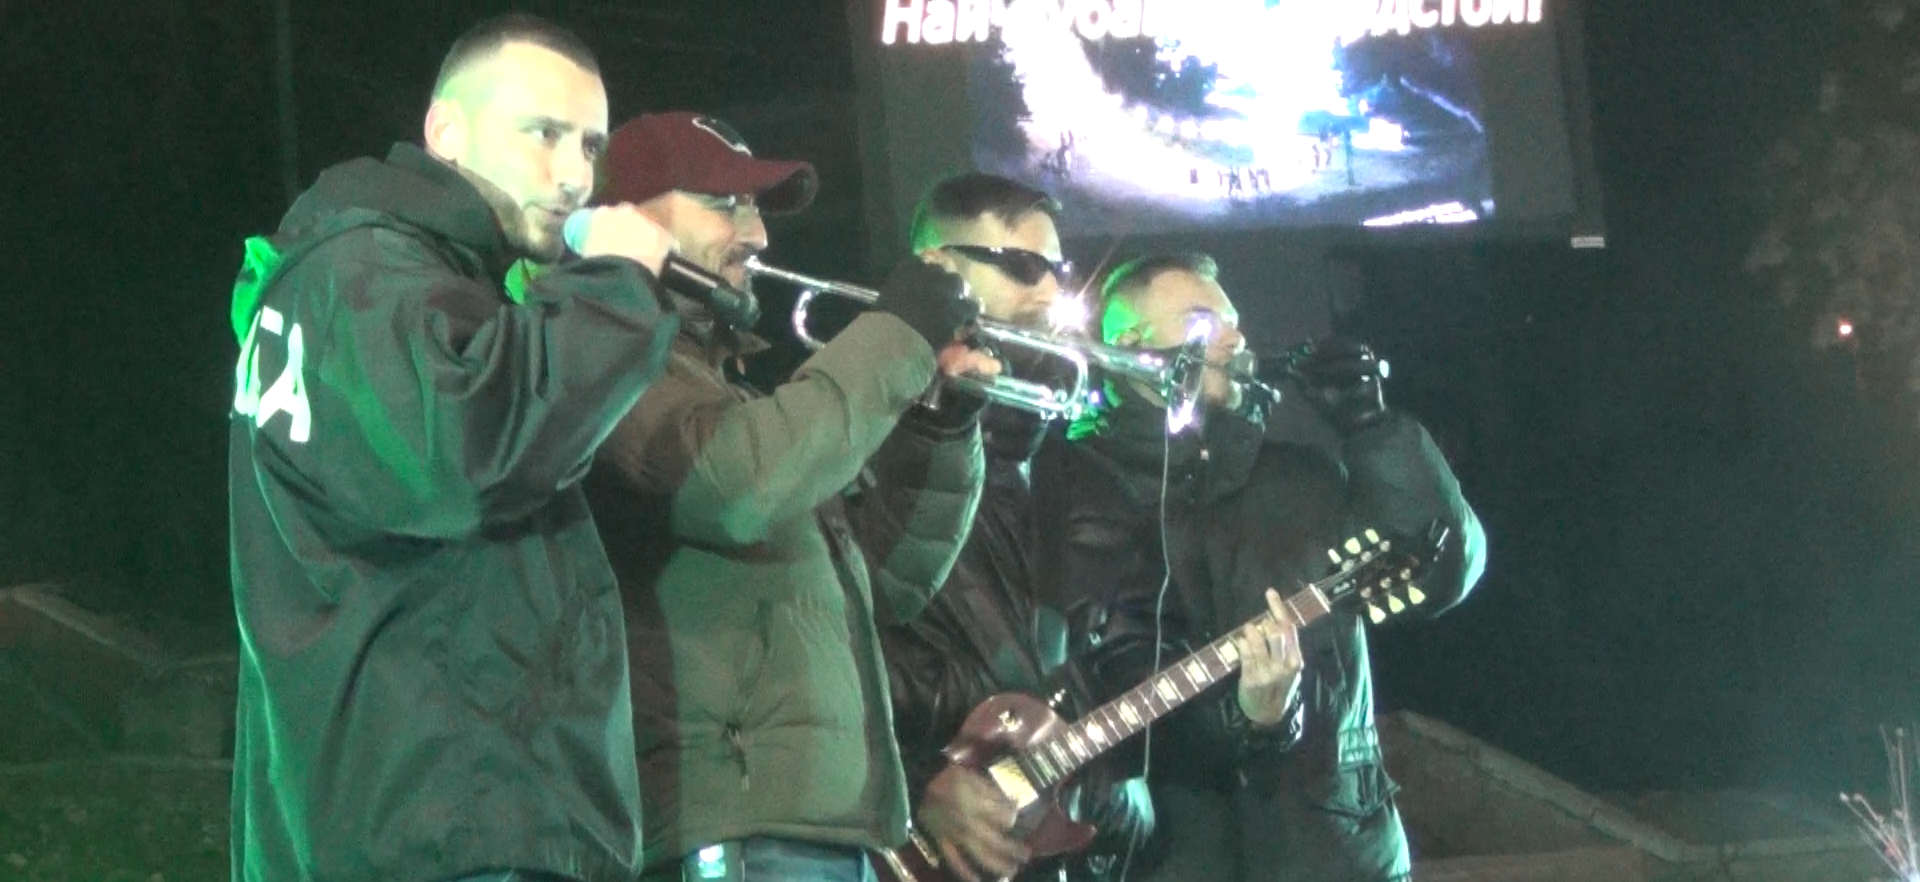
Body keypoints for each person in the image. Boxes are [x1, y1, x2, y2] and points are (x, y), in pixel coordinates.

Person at [227, 14, 680, 882]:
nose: (574, 175)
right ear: (446, 131)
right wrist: (615, 290)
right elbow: (472, 452)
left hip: (435, 821)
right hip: (448, 827)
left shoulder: (384, 280)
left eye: (590, 145)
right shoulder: (362, 274)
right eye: (542, 133)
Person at [578, 112, 998, 882]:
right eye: (724, 204)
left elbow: (886, 586)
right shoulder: (609, 362)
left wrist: (937, 429)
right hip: (733, 833)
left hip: (818, 830)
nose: (758, 235)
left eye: (756, 208)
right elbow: (737, 488)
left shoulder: (731, 394)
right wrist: (897, 335)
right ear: (627, 218)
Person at [1039, 252, 1488, 882]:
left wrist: (1372, 428)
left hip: (1335, 854)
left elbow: (1443, 568)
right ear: (1132, 344)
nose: (1235, 337)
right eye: (1203, 321)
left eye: (1234, 321)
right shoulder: (1073, 486)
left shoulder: (1298, 478)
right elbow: (1095, 675)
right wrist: (1249, 719)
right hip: (1170, 860)